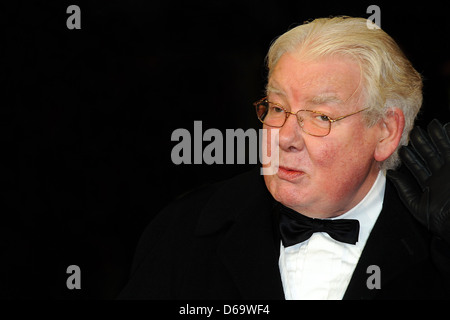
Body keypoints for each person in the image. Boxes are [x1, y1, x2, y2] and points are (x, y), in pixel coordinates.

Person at [118, 16, 450, 299]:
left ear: (386, 130)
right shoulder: (185, 232)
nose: (285, 138)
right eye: (277, 108)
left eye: (321, 116)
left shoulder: (437, 241)